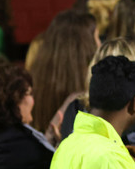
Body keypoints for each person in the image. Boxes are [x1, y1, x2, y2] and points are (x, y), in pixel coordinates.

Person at [27, 10, 100, 140]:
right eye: (97, 37)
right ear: (86, 47)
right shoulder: (88, 93)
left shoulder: (34, 82)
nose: (101, 44)